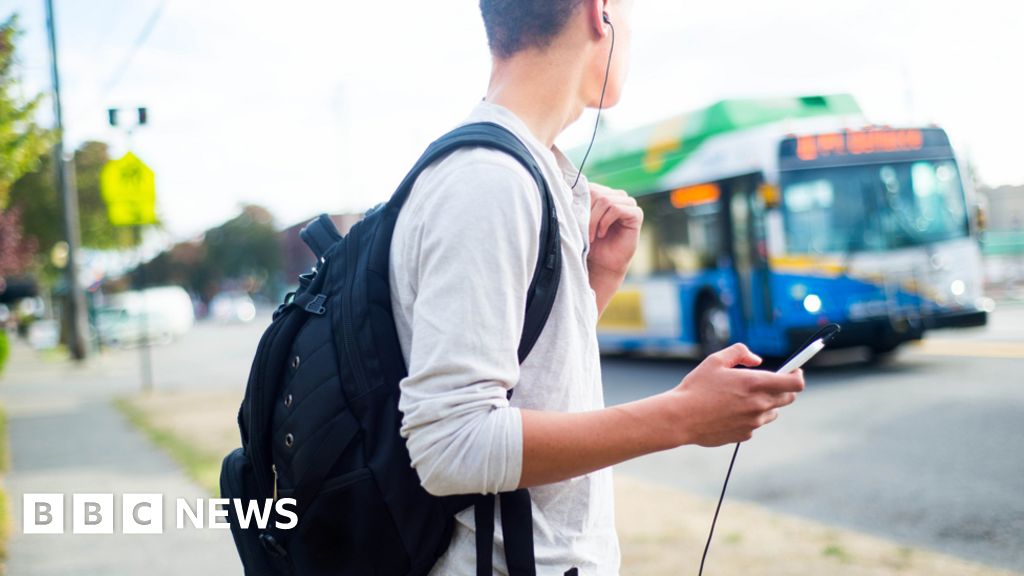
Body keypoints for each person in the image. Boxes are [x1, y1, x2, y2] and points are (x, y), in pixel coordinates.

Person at [388, 0, 806, 574]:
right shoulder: (490, 182)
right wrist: (682, 416)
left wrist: (593, 284)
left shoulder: (522, 170)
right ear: (598, 12)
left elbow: (527, 381)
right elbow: (451, 445)